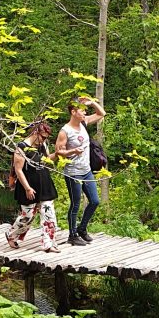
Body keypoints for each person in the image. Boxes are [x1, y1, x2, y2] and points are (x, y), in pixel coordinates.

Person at [55, 96, 105, 246]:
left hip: (86, 170)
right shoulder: (65, 131)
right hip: (73, 172)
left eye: (85, 110)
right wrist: (72, 152)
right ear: (73, 112)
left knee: (95, 201)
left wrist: (92, 102)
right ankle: (72, 235)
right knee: (75, 204)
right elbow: (58, 152)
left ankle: (82, 228)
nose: (84, 112)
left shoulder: (84, 123)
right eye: (81, 110)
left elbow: (101, 113)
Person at [5, 120, 61, 252]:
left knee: (49, 213)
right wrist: (27, 188)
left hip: (44, 183)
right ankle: (12, 235)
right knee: (28, 215)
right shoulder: (21, 147)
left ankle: (49, 243)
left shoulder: (43, 145)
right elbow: (18, 170)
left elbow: (47, 160)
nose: (44, 140)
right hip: (28, 185)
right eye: (43, 137)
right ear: (36, 132)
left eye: (46, 138)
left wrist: (57, 154)